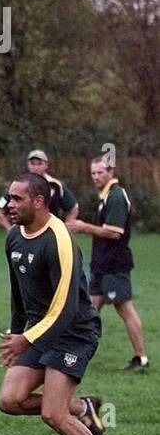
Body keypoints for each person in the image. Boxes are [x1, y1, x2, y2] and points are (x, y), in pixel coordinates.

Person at [0, 173, 132, 435]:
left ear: (39, 201)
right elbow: (19, 294)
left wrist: (27, 339)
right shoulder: (14, 237)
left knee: (53, 414)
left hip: (74, 331)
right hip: (38, 330)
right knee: (10, 401)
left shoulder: (60, 239)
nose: (9, 205)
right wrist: (18, 332)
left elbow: (67, 306)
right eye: (9, 198)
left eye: (17, 199)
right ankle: (82, 407)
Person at [67, 157, 149, 372]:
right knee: (89, 309)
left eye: (100, 173)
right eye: (93, 173)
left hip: (115, 265)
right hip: (101, 265)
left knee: (125, 309)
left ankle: (141, 358)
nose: (96, 177)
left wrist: (84, 227)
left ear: (111, 171)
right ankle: (74, 355)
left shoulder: (116, 196)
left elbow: (114, 232)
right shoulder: (105, 196)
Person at [0, 150, 78, 228]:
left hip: (51, 233)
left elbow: (73, 208)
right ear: (28, 165)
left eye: (39, 164)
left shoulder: (56, 185)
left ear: (46, 165)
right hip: (26, 234)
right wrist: (10, 230)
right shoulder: (19, 186)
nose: (36, 167)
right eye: (32, 164)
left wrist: (66, 229)